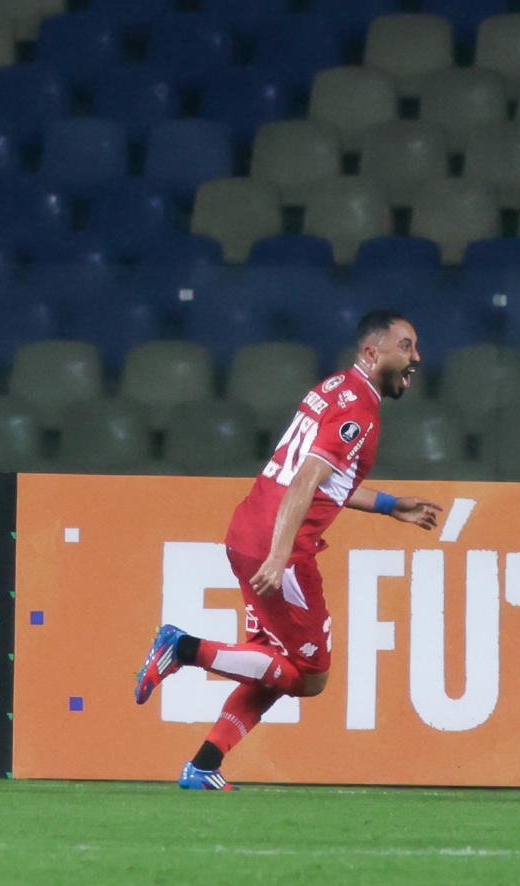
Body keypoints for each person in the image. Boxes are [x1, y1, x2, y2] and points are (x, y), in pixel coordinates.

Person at [133, 310, 443, 790]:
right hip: (280, 548)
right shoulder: (358, 410)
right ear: (371, 351)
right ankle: (184, 648)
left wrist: (388, 506)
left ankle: (203, 764)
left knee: (271, 665)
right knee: (310, 675)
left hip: (248, 530)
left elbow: (327, 481)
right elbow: (305, 480)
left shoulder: (333, 389)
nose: (415, 357)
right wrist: (279, 556)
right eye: (405, 346)